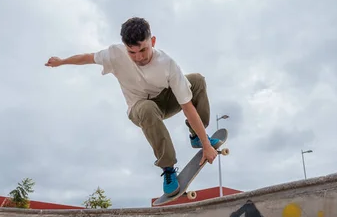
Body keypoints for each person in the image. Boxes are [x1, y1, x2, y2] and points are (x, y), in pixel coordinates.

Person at [45, 17, 222, 196]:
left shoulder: (167, 64)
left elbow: (187, 106)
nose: (139, 57)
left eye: (144, 50)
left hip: (165, 100)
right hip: (139, 107)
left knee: (197, 80)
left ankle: (197, 137)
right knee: (147, 108)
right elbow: (86, 58)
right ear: (125, 47)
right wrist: (61, 61)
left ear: (152, 41)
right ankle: (168, 168)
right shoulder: (114, 53)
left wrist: (206, 145)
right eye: (132, 52)